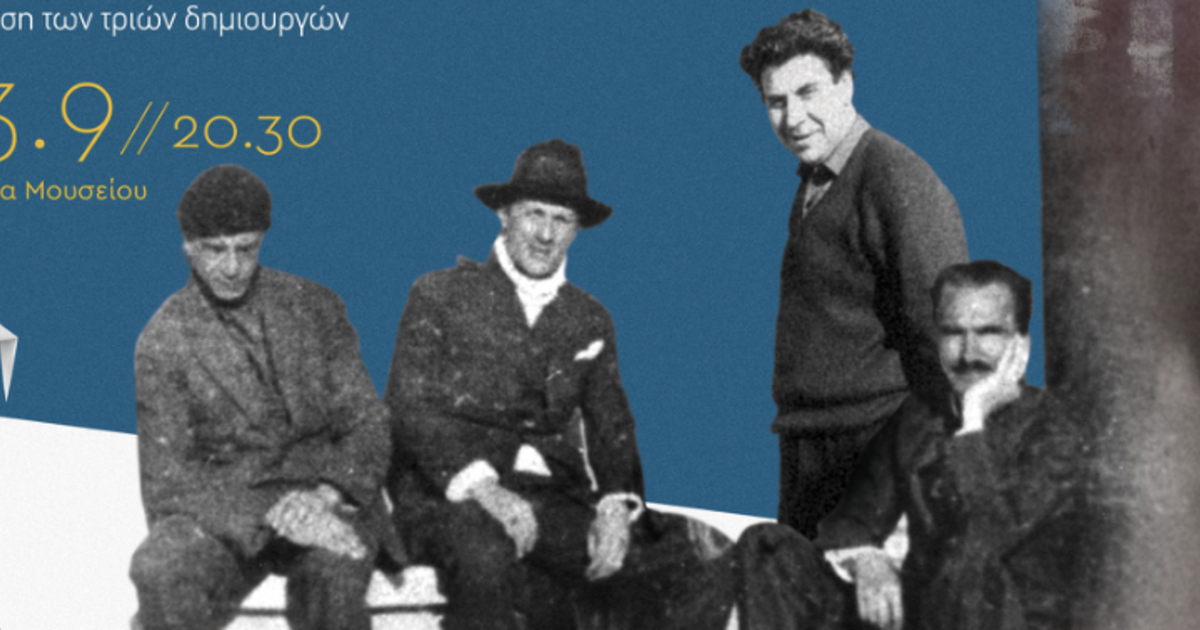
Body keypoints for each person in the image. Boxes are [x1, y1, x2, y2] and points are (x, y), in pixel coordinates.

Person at [384, 139, 754, 630]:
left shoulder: (588, 318)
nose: (545, 235)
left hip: (552, 501)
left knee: (701, 557)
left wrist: (615, 506)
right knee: (488, 553)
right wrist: (486, 490)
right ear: (504, 215)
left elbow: (612, 426)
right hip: (449, 498)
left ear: (577, 229)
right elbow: (409, 409)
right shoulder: (440, 295)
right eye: (534, 214)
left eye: (561, 220)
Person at [128, 164, 402, 630]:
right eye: (215, 250)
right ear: (188, 249)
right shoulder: (163, 340)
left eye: (246, 248)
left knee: (332, 579)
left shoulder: (316, 306)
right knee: (160, 567)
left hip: (326, 499)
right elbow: (169, 483)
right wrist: (274, 516)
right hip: (231, 514)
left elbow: (367, 422)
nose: (232, 266)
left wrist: (325, 497)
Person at [739, 9, 970, 539]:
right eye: (776, 101)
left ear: (846, 84)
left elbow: (946, 339)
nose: (793, 118)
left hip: (871, 452)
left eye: (808, 92)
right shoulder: (816, 179)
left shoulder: (897, 178)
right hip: (810, 448)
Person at [816, 260, 1086, 630]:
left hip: (1010, 618)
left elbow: (992, 534)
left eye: (989, 333)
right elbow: (850, 519)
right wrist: (867, 560)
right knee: (767, 549)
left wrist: (973, 418)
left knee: (969, 558)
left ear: (1021, 345)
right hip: (926, 614)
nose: (969, 353)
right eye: (953, 333)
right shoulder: (919, 416)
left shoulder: (1054, 428)